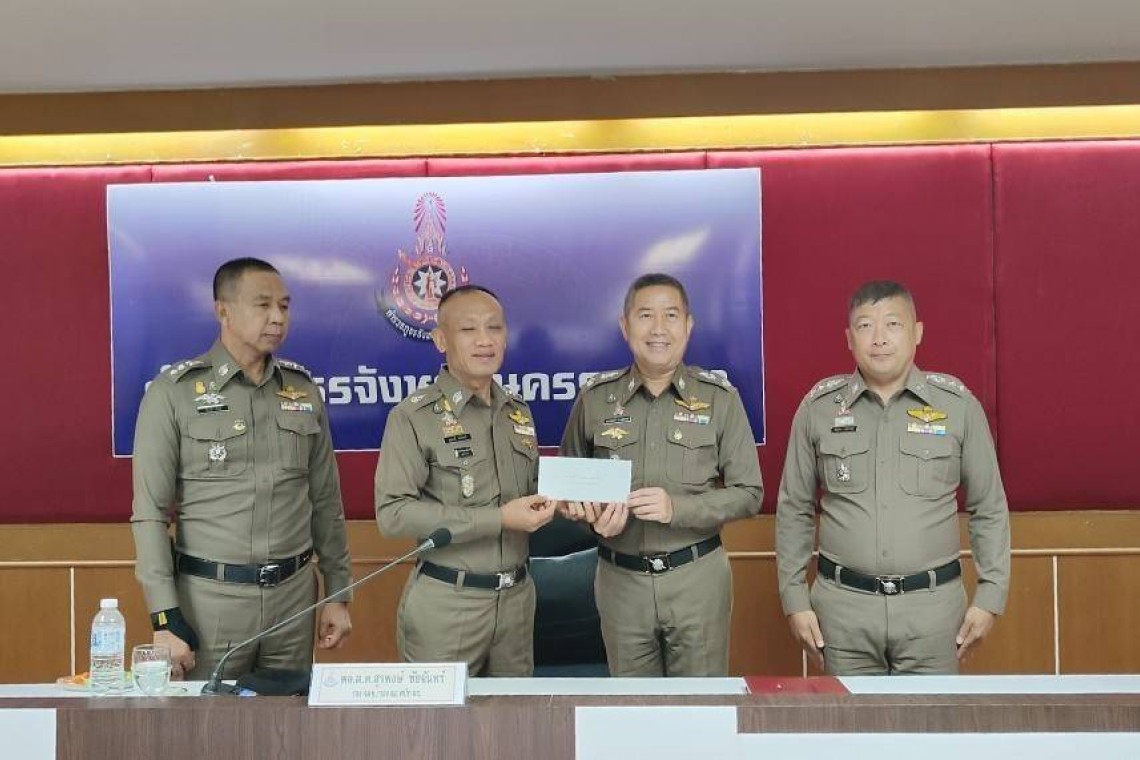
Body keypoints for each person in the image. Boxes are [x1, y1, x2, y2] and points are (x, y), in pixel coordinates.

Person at [131, 257, 353, 680]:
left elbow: (326, 501)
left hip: (294, 600)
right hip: (211, 601)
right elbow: (150, 514)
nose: (277, 318)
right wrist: (164, 615)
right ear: (223, 311)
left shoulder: (302, 390)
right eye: (263, 305)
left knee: (288, 717)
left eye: (284, 306)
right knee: (208, 720)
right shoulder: (173, 394)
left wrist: (338, 593)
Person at [776, 280, 1011, 675]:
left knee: (929, 717)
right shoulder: (819, 408)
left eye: (893, 324)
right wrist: (794, 597)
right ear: (849, 339)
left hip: (933, 613)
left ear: (917, 332)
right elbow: (794, 508)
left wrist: (991, 595)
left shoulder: (957, 406)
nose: (880, 339)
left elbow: (989, 507)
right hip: (843, 613)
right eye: (866, 326)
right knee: (848, 717)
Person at [560, 273, 763, 677]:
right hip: (621, 581)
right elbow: (567, 490)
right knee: (633, 705)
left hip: (696, 578)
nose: (658, 329)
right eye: (645, 316)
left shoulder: (719, 399)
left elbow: (749, 493)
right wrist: (588, 516)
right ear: (625, 326)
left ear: (688, 325)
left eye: (670, 315)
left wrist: (677, 509)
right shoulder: (595, 399)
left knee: (701, 705)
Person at [375, 285, 555, 676]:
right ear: (441, 340)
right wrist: (499, 519)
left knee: (516, 715)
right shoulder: (413, 417)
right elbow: (393, 515)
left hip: (516, 602)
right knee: (440, 717)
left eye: (494, 328)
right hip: (448, 603)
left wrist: (570, 503)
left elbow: (531, 495)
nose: (485, 340)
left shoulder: (518, 413)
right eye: (469, 330)